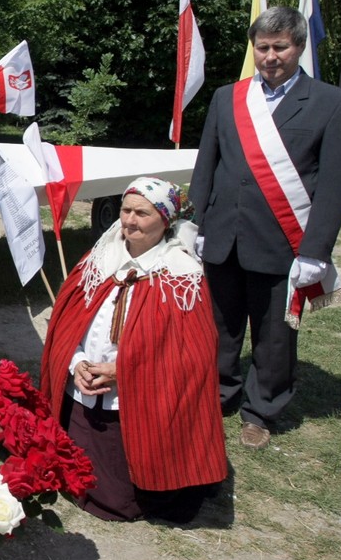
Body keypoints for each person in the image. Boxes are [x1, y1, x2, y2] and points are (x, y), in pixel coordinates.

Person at [189, 6, 341, 450]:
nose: (270, 56)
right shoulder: (228, 97)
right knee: (219, 326)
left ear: (299, 47)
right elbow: (207, 163)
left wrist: (316, 250)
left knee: (273, 336)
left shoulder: (334, 104)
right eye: (262, 47)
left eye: (280, 47)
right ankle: (218, 393)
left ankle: (261, 409)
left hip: (283, 241)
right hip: (223, 235)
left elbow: (336, 185)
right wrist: (198, 222)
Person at [40, 177, 228, 522]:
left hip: (140, 409)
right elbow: (66, 326)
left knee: (126, 494)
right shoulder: (99, 260)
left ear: (165, 219)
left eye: (142, 213)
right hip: (83, 394)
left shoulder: (182, 275)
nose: (129, 220)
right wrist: (76, 361)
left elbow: (194, 358)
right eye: (126, 210)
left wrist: (124, 372)